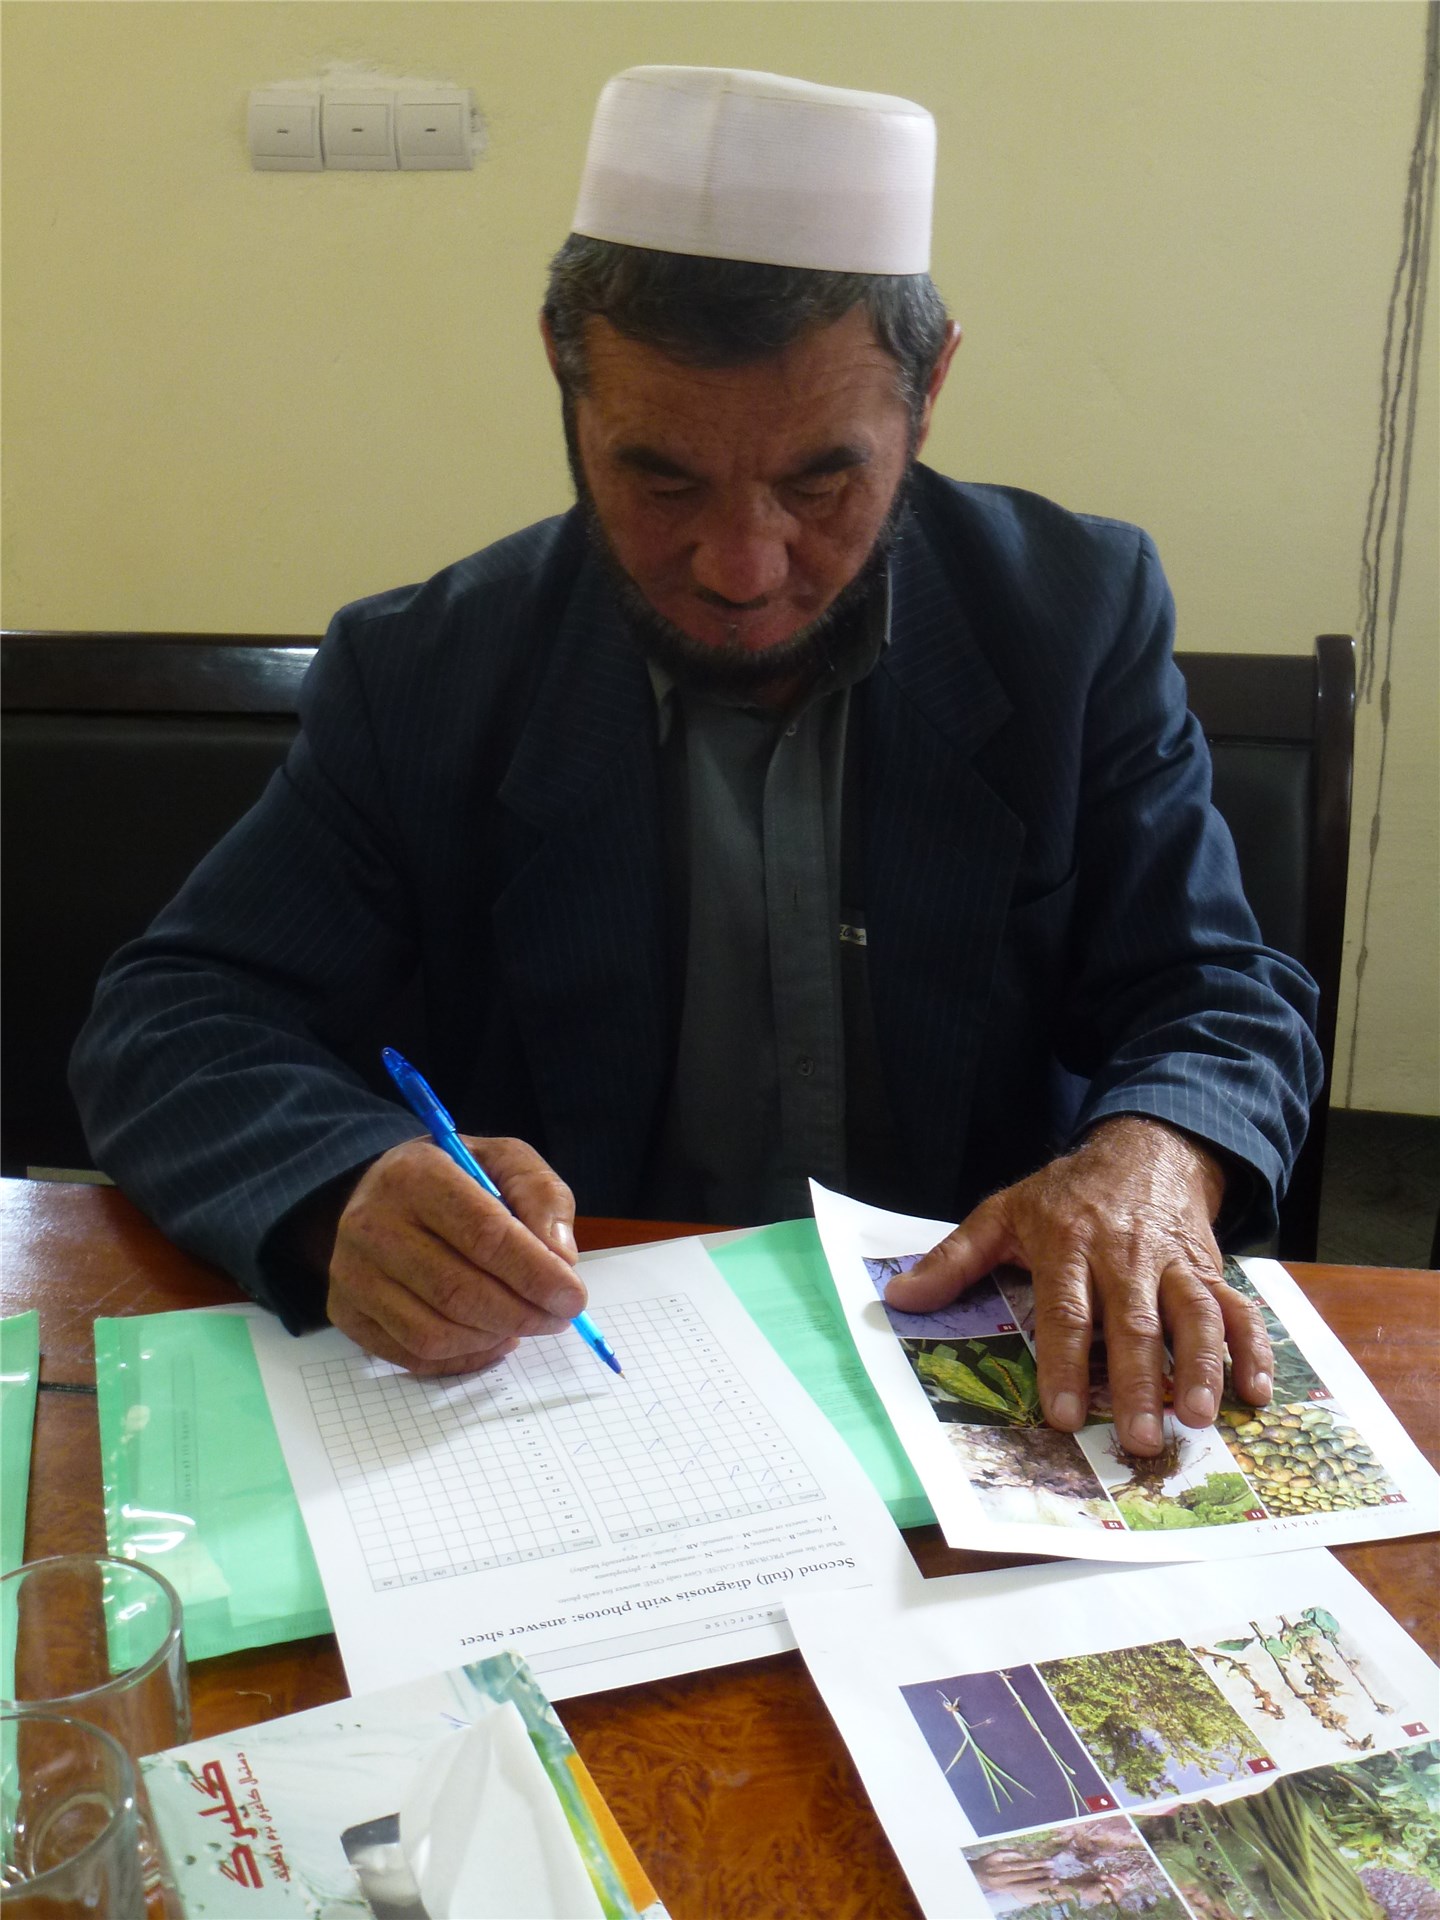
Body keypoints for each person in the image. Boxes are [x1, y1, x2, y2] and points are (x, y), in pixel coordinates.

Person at [71, 66, 1321, 1459]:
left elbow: (1219, 993)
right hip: (581, 1406)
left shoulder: (1068, 618)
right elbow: (173, 1019)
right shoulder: (428, 673)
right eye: (662, 477)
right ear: (564, 366)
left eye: (820, 481)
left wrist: (1152, 1154)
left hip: (982, 1402)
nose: (742, 567)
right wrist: (343, 1181)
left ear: (934, 386)